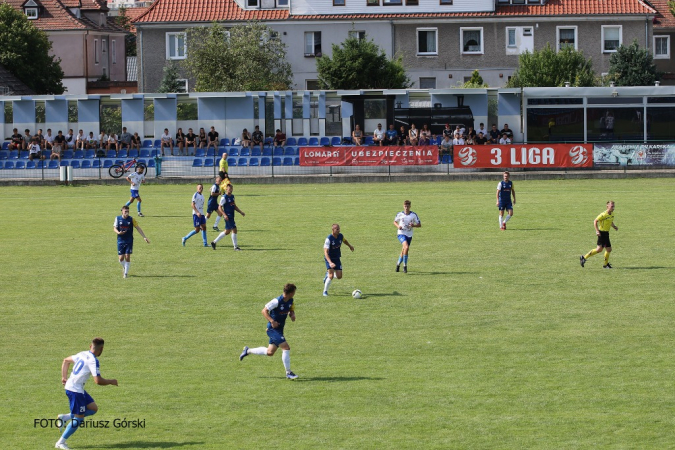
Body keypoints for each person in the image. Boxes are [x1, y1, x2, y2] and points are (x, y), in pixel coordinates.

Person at [54, 338, 118, 450]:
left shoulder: (82, 354)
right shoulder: (93, 361)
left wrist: (64, 377)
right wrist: (111, 381)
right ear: (101, 349)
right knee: (79, 419)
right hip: (75, 391)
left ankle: (64, 417)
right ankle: (60, 443)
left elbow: (66, 360)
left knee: (93, 409)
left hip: (76, 388)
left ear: (90, 346)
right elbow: (97, 381)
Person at [239, 283, 299, 380]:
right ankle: (288, 372)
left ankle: (248, 350)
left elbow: (290, 308)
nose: (295, 294)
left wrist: (292, 314)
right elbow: (264, 311)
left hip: (279, 329)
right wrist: (272, 321)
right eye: (294, 292)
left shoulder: (290, 300)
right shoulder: (276, 301)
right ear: (291, 293)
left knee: (270, 352)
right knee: (286, 348)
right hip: (272, 330)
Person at [580, 201, 618, 269]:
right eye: (612, 206)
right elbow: (595, 221)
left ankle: (584, 258)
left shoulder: (612, 214)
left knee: (602, 250)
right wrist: (597, 231)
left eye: (614, 206)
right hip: (602, 233)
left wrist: (614, 226)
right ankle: (605, 265)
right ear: (607, 206)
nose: (613, 208)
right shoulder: (603, 214)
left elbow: (610, 221)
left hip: (606, 233)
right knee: (604, 249)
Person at [114, 205, 149, 278]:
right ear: (122, 211)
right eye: (125, 211)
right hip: (120, 240)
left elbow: (138, 228)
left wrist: (144, 237)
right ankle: (125, 267)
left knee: (127, 256)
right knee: (121, 259)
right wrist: (118, 232)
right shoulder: (118, 218)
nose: (127, 213)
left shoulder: (131, 219)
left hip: (129, 240)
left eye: (128, 211)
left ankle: (125, 274)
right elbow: (114, 228)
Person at [322, 223, 354, 297]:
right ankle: (325, 291)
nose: (338, 230)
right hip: (329, 258)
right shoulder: (329, 239)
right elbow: (326, 253)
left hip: (337, 258)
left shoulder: (340, 236)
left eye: (339, 229)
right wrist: (330, 262)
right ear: (333, 230)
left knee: (339, 276)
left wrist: (350, 246)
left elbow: (344, 240)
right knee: (331, 275)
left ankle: (327, 275)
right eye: (337, 229)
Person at [211, 183, 245, 251]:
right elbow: (219, 207)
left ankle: (214, 242)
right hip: (228, 217)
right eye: (229, 189)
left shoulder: (232, 196)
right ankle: (235, 247)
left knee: (227, 231)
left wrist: (241, 212)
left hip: (232, 216)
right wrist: (224, 215)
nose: (231, 190)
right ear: (226, 189)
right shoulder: (224, 197)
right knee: (234, 229)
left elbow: (234, 206)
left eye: (231, 189)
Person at [394, 200, 421, 273]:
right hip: (401, 233)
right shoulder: (400, 214)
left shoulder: (413, 215)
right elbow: (395, 222)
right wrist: (398, 226)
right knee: (406, 247)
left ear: (410, 206)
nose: (406, 208)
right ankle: (405, 266)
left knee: (404, 250)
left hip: (409, 234)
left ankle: (398, 264)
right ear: (403, 206)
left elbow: (419, 224)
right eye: (405, 206)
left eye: (408, 206)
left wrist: (413, 225)